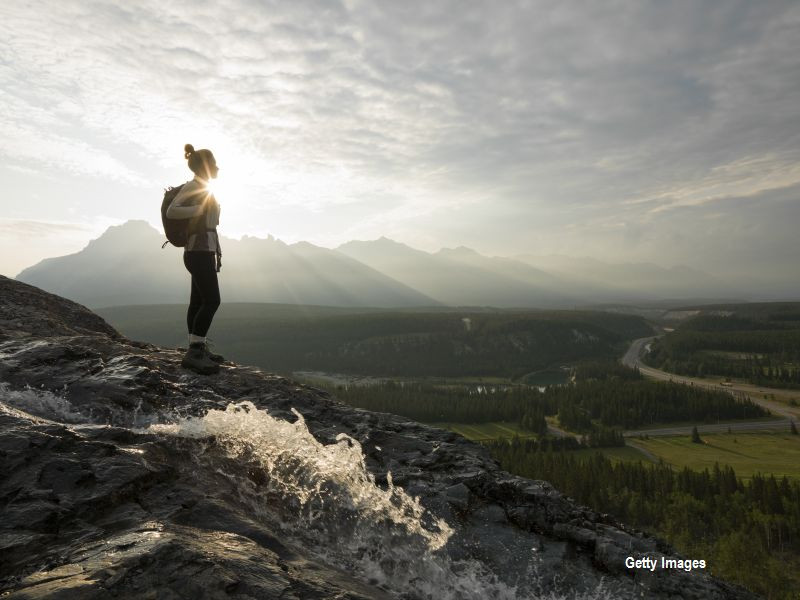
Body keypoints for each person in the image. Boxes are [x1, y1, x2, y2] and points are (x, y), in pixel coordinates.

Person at [167, 143, 224, 374]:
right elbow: (172, 211)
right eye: (214, 164)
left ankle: (196, 347)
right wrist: (198, 210)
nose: (218, 167)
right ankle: (195, 352)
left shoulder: (203, 187)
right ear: (206, 167)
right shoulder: (194, 186)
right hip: (197, 252)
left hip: (203, 252)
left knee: (198, 302)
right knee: (212, 301)